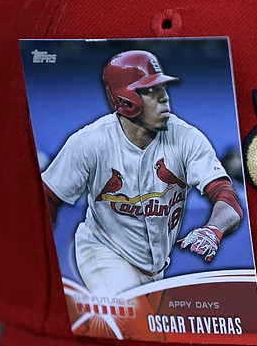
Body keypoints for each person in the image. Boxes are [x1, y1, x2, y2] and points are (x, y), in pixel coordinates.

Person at [41, 49, 243, 295]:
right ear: (124, 100)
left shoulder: (188, 139)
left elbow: (227, 196)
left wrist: (213, 229)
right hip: (103, 252)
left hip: (155, 269)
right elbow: (48, 197)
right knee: (128, 314)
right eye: (150, 90)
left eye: (162, 88)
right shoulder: (89, 142)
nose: (164, 98)